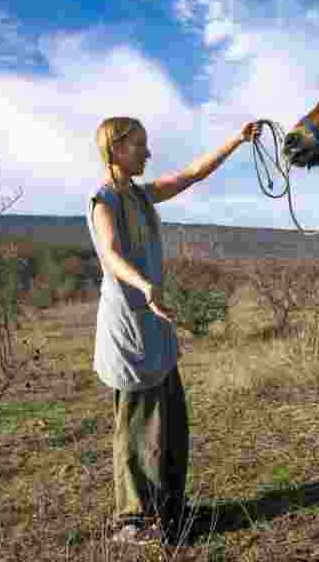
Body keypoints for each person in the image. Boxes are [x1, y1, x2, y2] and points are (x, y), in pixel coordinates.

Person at [87, 116, 259, 546]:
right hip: (130, 326)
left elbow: (191, 174)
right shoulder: (103, 200)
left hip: (156, 324)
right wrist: (145, 285)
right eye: (139, 145)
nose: (147, 152)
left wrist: (237, 139)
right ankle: (133, 522)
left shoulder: (142, 196)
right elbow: (109, 253)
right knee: (136, 425)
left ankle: (170, 510)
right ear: (116, 149)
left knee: (172, 419)